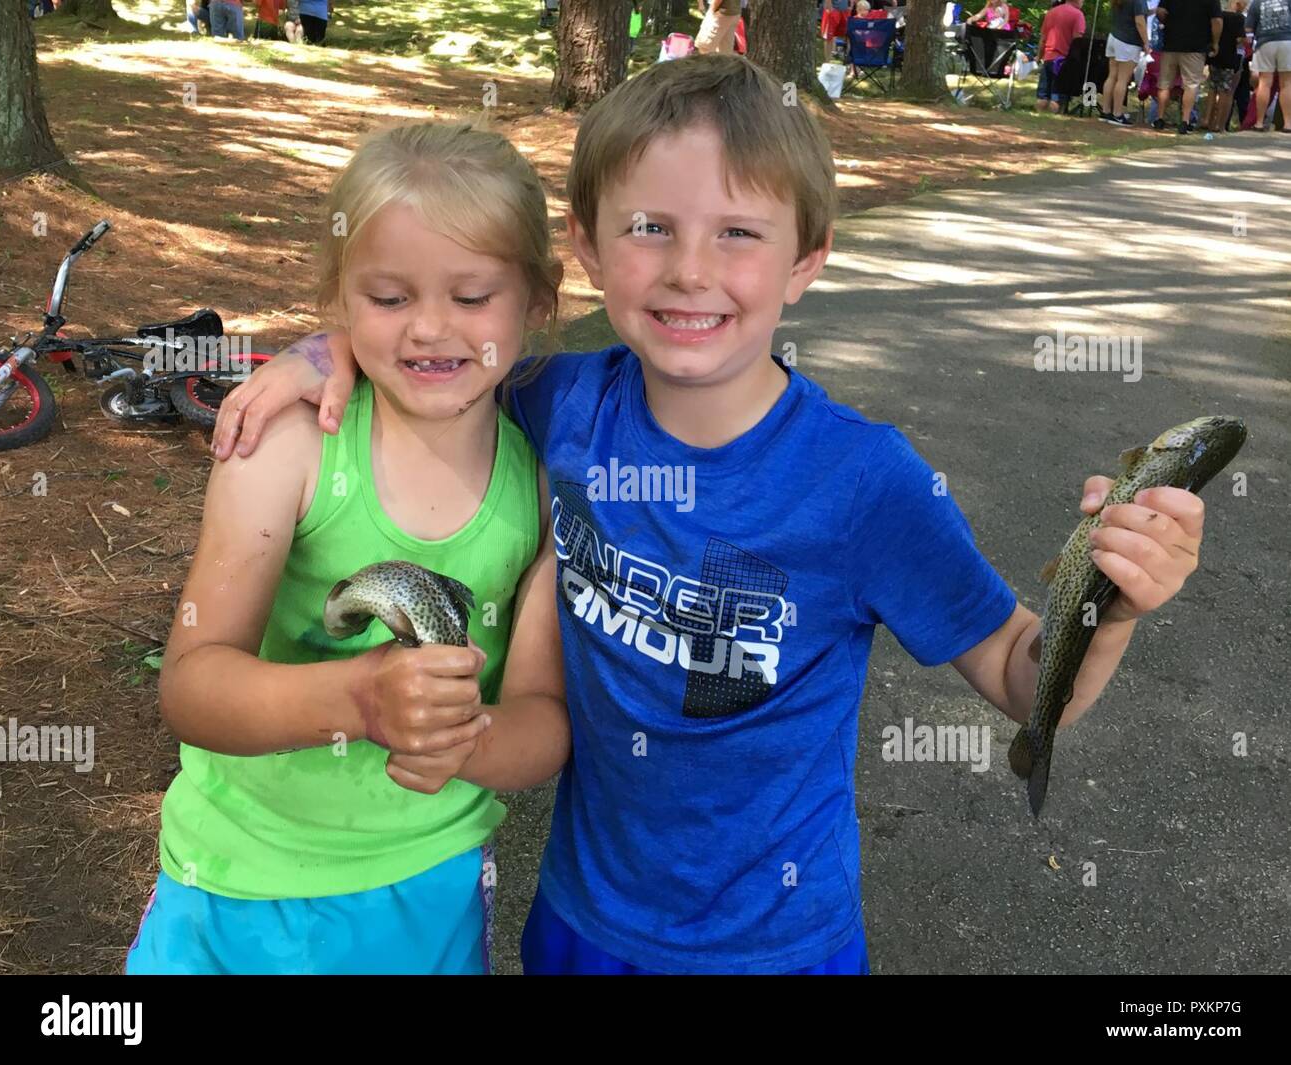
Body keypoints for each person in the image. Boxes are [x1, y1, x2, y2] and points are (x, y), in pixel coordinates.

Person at [212, 55, 1216, 976]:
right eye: (651, 227)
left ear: (805, 262)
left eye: (738, 233)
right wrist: (323, 348)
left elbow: (1018, 672)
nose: (690, 270)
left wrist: (1113, 608)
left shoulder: (864, 483)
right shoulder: (559, 404)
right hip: (582, 923)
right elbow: (434, 345)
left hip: (777, 944)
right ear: (588, 247)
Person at [124, 121, 569, 975]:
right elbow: (190, 683)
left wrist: (461, 737)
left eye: (472, 296)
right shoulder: (291, 446)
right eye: (389, 298)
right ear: (339, 297)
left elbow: (542, 721)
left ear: (537, 301)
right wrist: (362, 697)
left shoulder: (542, 482)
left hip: (423, 888)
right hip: (233, 878)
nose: (430, 328)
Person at [1153, 0, 1222, 132]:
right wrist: (1216, 42)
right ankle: (1185, 121)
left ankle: (1159, 118)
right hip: (1195, 46)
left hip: (1171, 43)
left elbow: (1160, 11)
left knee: (1164, 83)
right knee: (1191, 85)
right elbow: (1217, 21)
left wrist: (1167, 22)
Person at [1102, 0, 1151, 124]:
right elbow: (1139, 22)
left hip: (1114, 37)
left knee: (1112, 76)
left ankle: (1106, 110)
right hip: (1128, 42)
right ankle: (1117, 114)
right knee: (1123, 79)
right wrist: (1146, 42)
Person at [1203, 0, 1250, 129]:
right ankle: (1220, 124)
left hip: (1215, 56)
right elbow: (1240, 39)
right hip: (1230, 58)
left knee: (1212, 88)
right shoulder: (1238, 18)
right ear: (1238, 4)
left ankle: (1207, 120)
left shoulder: (1219, 15)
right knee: (1226, 91)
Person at [1247, 0, 1291, 130]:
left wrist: (1251, 45)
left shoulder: (1256, 3)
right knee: (1287, 83)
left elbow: (1248, 30)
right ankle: (1288, 124)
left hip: (1265, 43)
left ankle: (1259, 123)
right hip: (1287, 42)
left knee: (1264, 83)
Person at [1035, 0, 1086, 112]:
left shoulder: (1051, 12)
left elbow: (1043, 38)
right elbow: (1077, 42)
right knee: (1057, 97)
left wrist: (1039, 56)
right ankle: (1055, 121)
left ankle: (1038, 117)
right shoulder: (1078, 15)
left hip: (1048, 58)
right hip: (1063, 61)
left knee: (1042, 96)